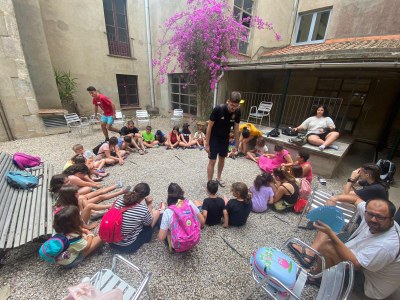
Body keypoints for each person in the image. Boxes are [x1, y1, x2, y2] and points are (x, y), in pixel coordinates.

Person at [289, 198, 400, 299]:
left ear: (391, 219)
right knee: (331, 240)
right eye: (370, 214)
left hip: (370, 285)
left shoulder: (387, 246)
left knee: (328, 247)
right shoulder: (378, 219)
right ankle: (318, 268)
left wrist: (330, 233)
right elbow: (356, 199)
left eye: (379, 217)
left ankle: (318, 278)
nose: (373, 219)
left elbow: (356, 265)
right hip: (370, 264)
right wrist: (335, 198)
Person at [109, 183, 163, 253]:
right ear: (144, 197)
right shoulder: (142, 209)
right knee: (156, 213)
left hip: (111, 240)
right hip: (126, 246)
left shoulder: (119, 200)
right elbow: (149, 223)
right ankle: (160, 211)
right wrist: (149, 205)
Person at [205, 91, 241, 187]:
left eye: (236, 105)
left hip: (225, 138)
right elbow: (209, 126)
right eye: (232, 105)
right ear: (228, 101)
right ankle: (209, 182)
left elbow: (236, 128)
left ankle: (219, 178)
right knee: (212, 160)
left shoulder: (237, 111)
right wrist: (207, 143)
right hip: (214, 138)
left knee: (222, 158)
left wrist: (237, 145)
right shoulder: (218, 109)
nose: (233, 107)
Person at [158, 183, 205, 251]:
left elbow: (161, 237)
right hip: (194, 240)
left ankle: (170, 244)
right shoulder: (189, 203)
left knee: (161, 216)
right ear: (181, 193)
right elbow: (202, 221)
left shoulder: (168, 212)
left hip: (178, 244)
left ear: (169, 196)